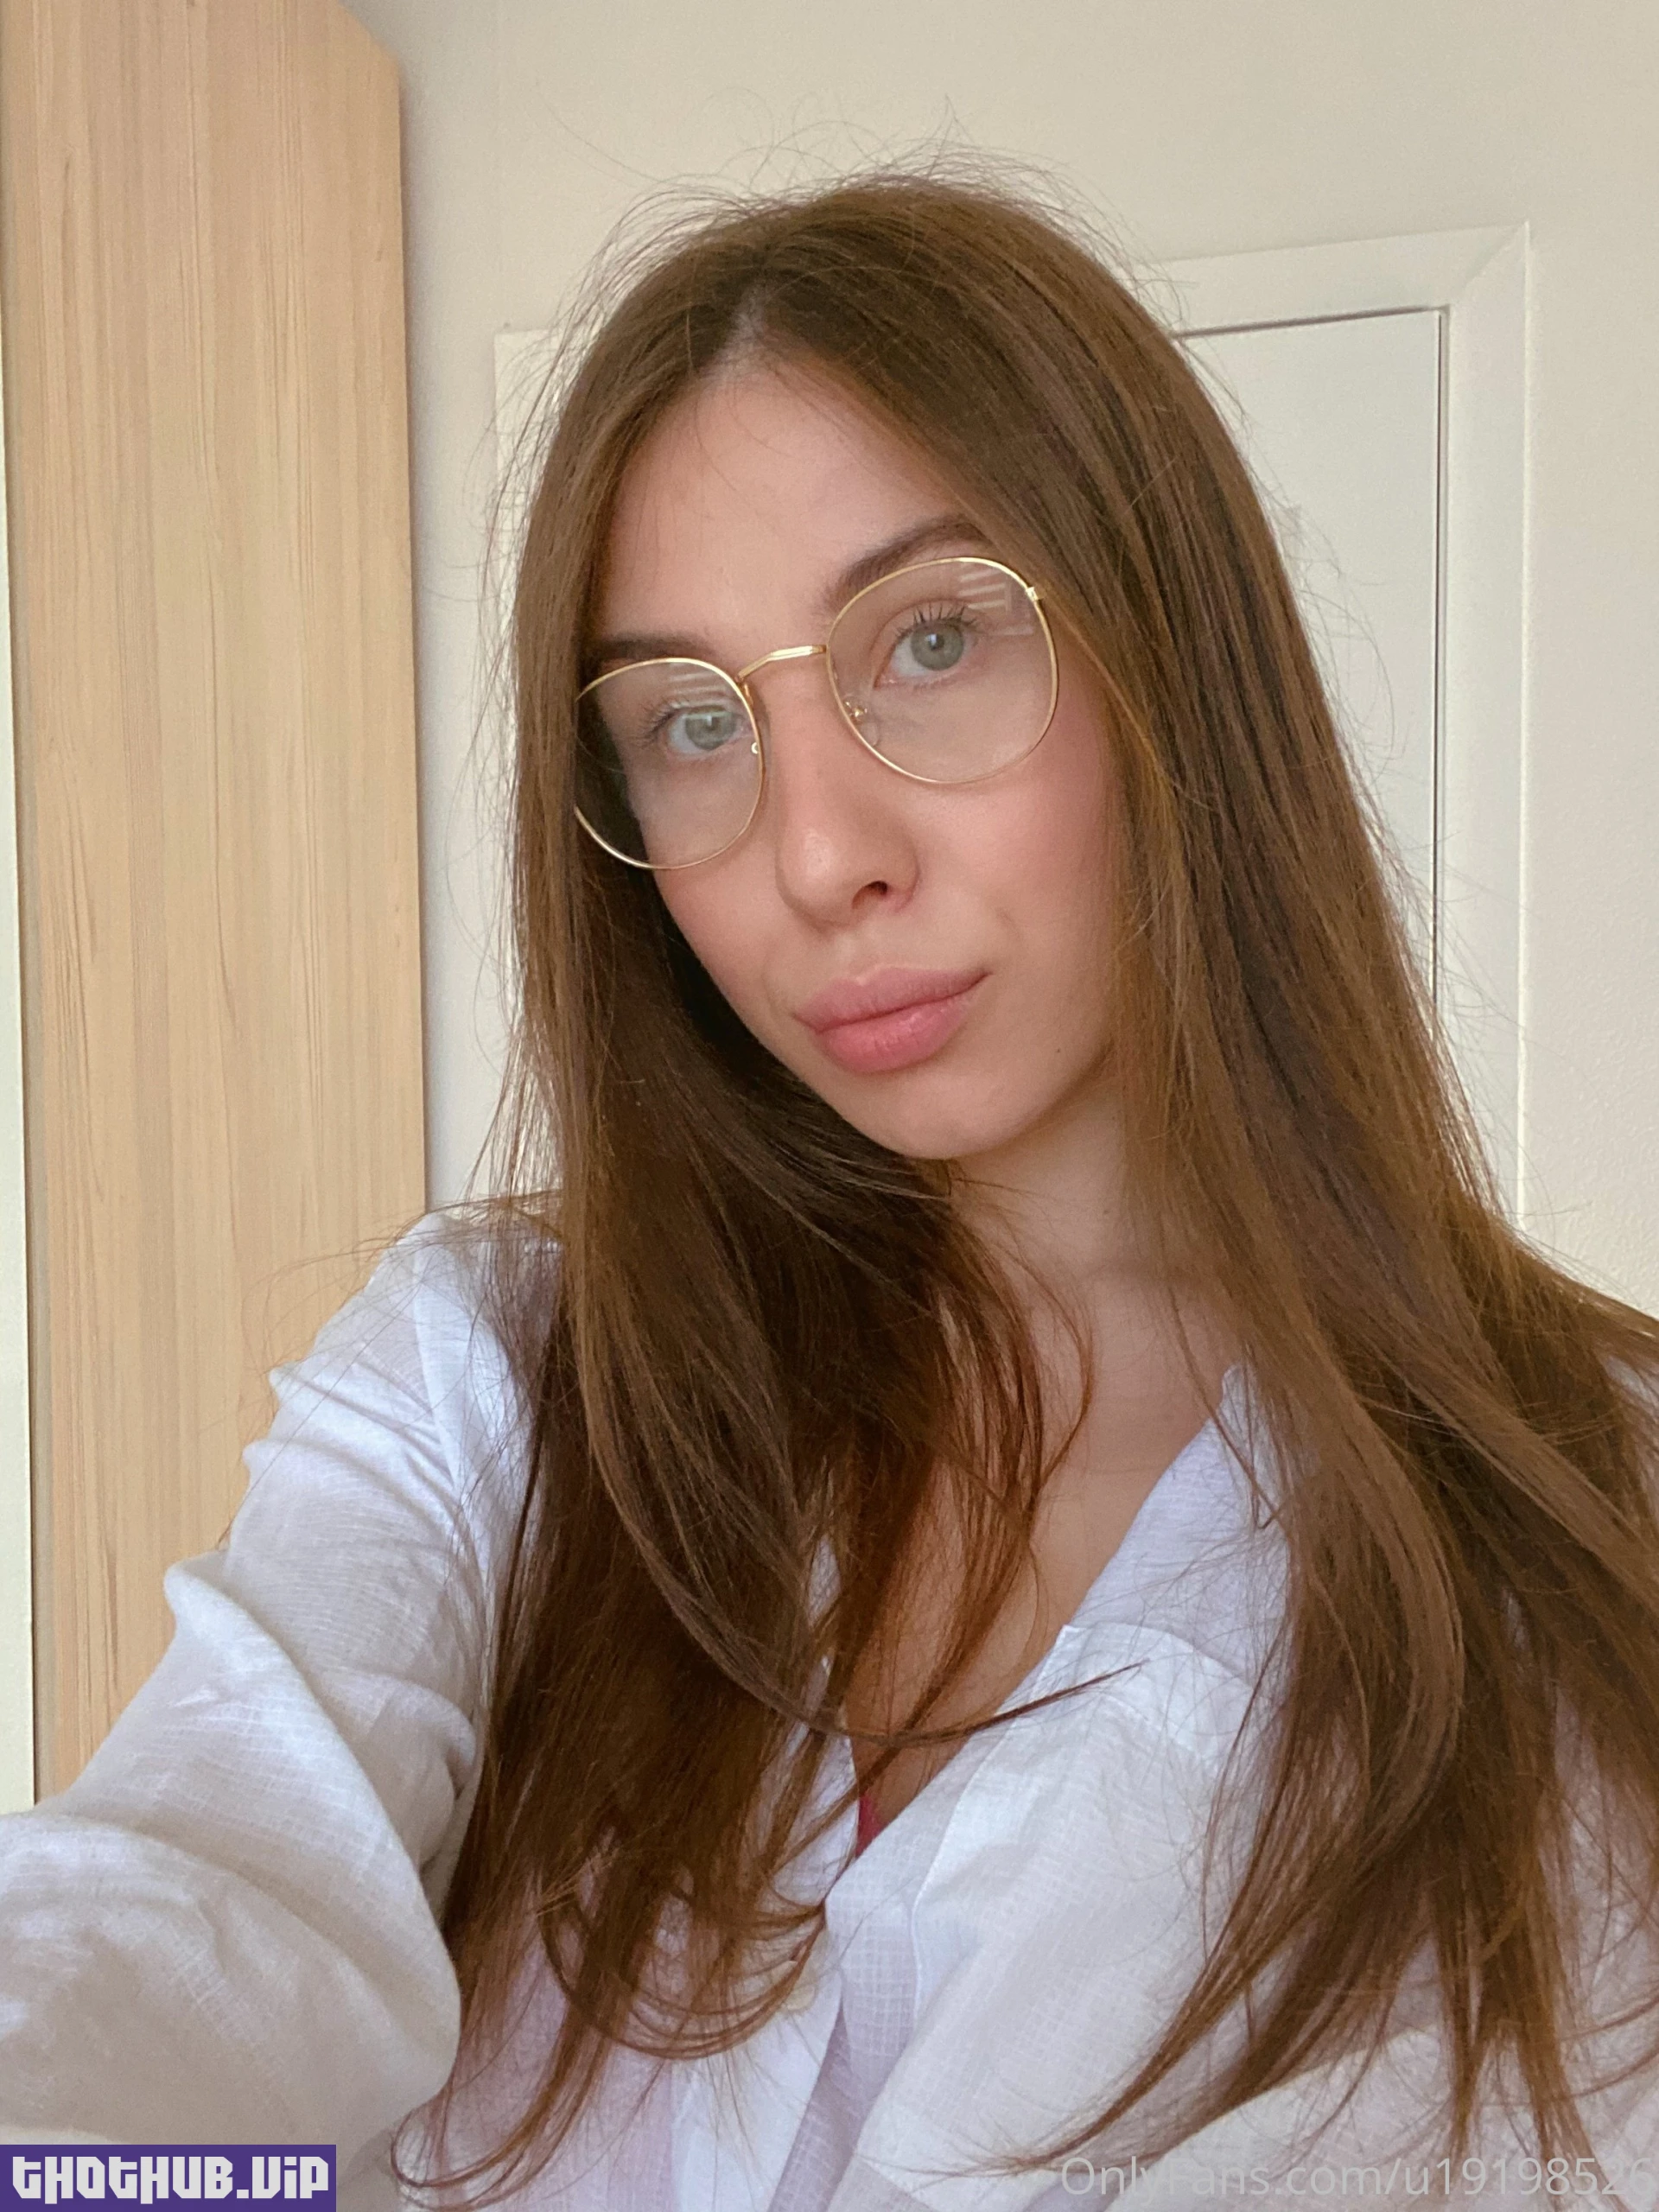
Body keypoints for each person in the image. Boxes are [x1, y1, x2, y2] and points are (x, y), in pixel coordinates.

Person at [4, 164, 1659, 2212]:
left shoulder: (1590, 1540)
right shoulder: (498, 1381)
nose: (813, 855)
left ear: (1177, 660)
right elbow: (198, 1908)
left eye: (933, 638)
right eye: (692, 722)